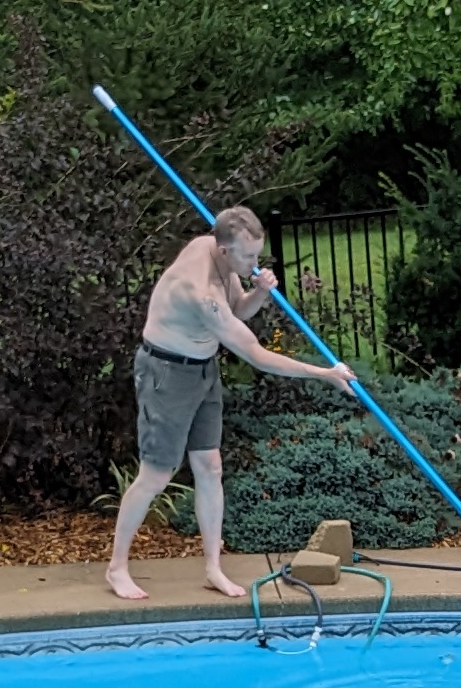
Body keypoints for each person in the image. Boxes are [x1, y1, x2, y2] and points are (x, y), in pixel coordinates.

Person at [109, 207, 359, 600]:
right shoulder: (200, 292)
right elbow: (256, 354)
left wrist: (258, 290)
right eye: (247, 257)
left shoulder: (216, 251)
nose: (254, 264)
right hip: (167, 374)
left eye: (257, 256)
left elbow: (239, 309)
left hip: (203, 368)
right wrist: (324, 373)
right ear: (224, 251)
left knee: (210, 465)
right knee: (157, 473)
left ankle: (213, 567)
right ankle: (117, 568)